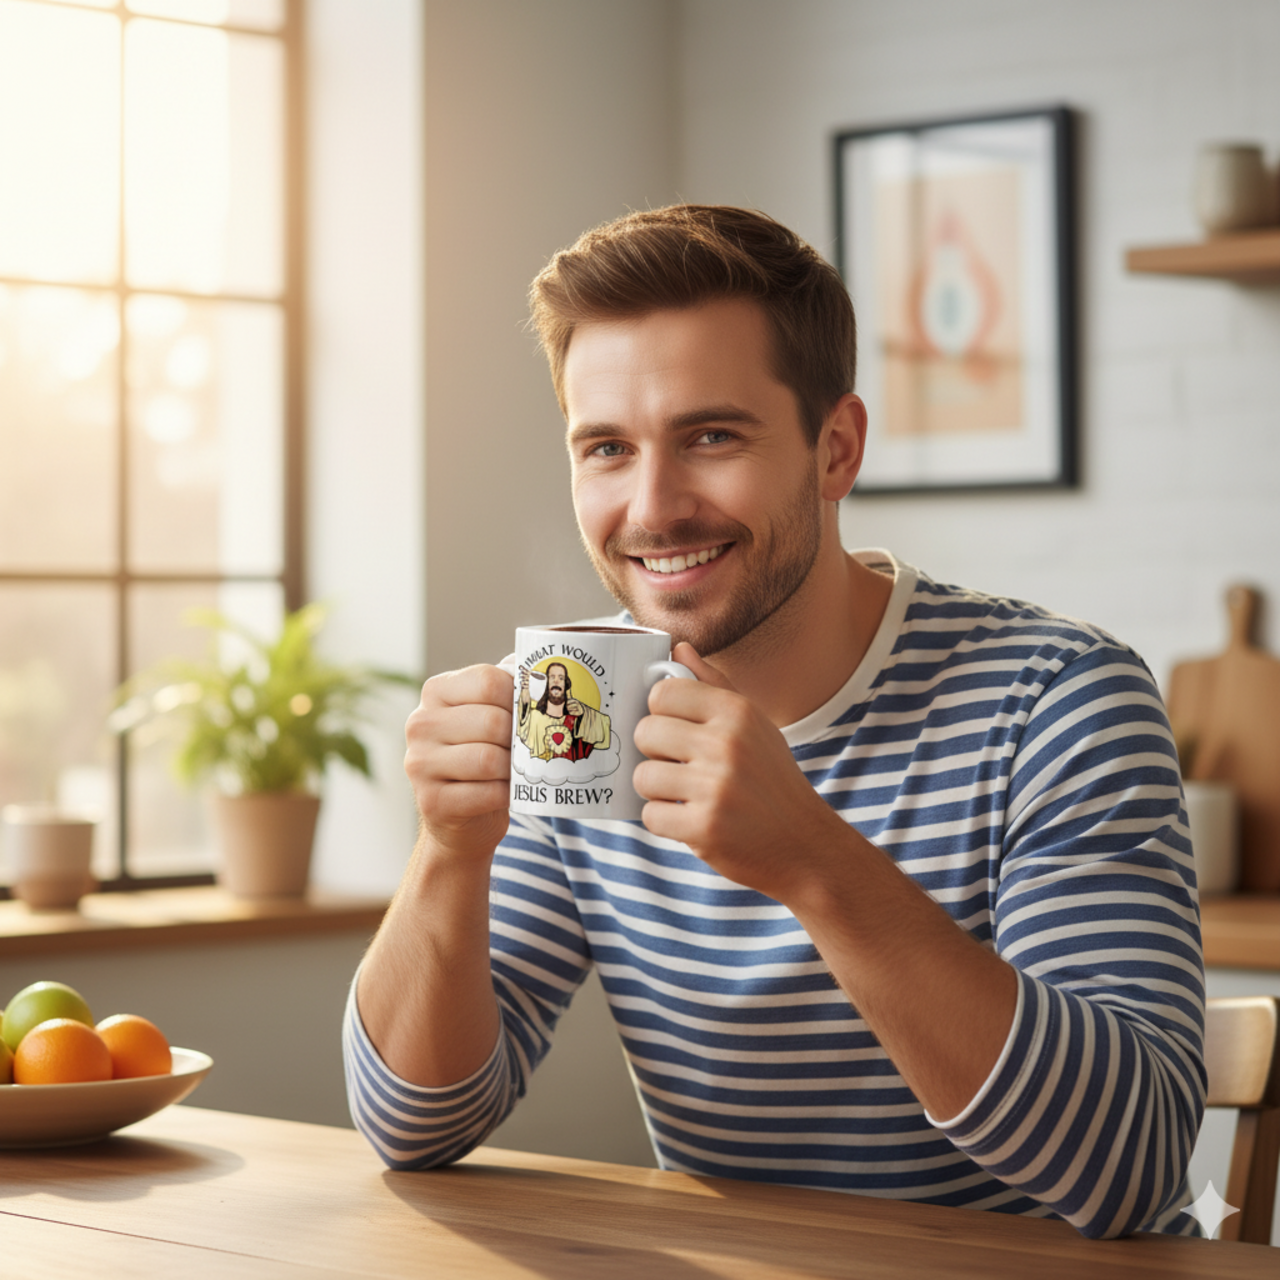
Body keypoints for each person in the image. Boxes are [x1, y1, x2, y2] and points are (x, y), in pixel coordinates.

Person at [344, 205, 1205, 1239]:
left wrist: (808, 857)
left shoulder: (1057, 698)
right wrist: (447, 851)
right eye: (607, 447)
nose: (653, 507)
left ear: (833, 449)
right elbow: (411, 1125)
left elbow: (1128, 1160)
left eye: (710, 436)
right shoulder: (580, 705)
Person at [516, 661, 610, 761]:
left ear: (566, 685)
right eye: (552, 677)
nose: (556, 681)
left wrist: (584, 713)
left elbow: (604, 730)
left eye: (561, 678)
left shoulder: (576, 721)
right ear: (545, 684)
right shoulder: (535, 718)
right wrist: (525, 690)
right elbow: (522, 724)